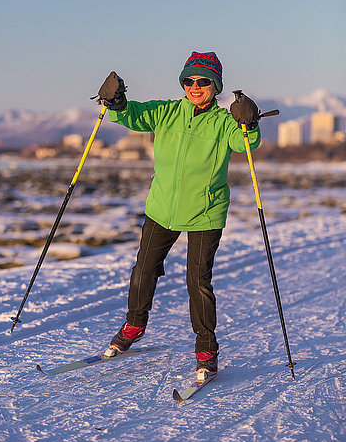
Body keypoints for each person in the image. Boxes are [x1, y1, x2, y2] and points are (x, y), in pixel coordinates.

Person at [97, 51, 260, 380]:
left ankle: (206, 348)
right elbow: (133, 115)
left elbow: (245, 144)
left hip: (205, 212)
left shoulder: (224, 122)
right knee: (144, 270)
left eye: (203, 81)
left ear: (215, 86)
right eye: (189, 80)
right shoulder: (167, 112)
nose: (195, 86)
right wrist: (116, 102)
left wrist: (249, 122)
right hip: (162, 208)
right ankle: (134, 326)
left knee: (197, 282)